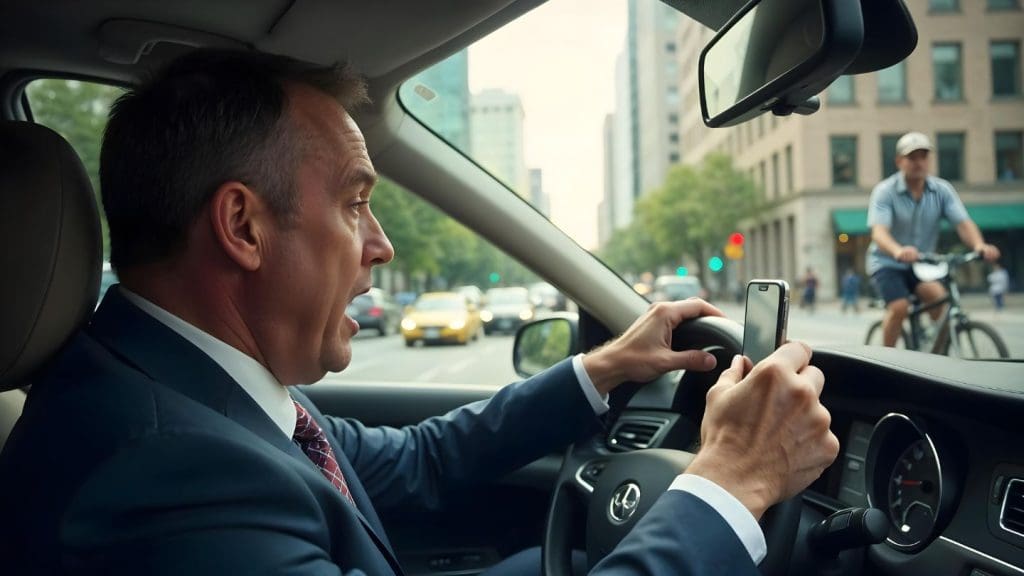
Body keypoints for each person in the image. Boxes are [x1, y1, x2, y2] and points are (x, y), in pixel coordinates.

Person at [0, 50, 838, 575]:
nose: (382, 245)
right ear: (243, 226)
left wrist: (603, 368)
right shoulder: (165, 473)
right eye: (356, 202)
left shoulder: (173, 382)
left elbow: (419, 462)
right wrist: (734, 480)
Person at [867, 132, 1000, 347]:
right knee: (899, 307)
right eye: (912, 157)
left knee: (942, 304)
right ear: (899, 161)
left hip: (922, 265)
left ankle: (934, 360)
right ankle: (885, 361)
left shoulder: (942, 190)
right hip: (887, 263)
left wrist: (979, 245)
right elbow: (879, 233)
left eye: (923, 156)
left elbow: (963, 223)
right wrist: (898, 250)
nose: (918, 162)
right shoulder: (885, 191)